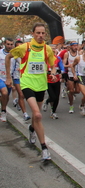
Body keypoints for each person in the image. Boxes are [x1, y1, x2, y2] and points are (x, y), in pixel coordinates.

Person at [5, 23, 57, 161]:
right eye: (38, 33)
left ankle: (32, 129)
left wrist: (52, 73)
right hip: (27, 84)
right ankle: (44, 149)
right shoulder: (24, 47)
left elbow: (52, 65)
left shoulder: (47, 49)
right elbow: (8, 57)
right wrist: (9, 77)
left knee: (36, 116)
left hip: (41, 85)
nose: (40, 36)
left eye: (43, 33)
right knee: (38, 115)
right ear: (33, 33)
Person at [42, 44, 65, 119]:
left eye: (54, 49)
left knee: (57, 97)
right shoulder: (44, 59)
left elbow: (62, 68)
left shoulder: (57, 58)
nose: (53, 50)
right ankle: (47, 101)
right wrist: (49, 73)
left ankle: (53, 112)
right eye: (51, 49)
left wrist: (61, 72)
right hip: (48, 81)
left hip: (57, 80)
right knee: (53, 97)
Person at [11, 39, 31, 121]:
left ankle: (19, 102)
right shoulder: (13, 57)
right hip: (17, 77)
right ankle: (25, 114)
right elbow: (11, 68)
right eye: (18, 47)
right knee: (21, 94)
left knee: (23, 95)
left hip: (25, 77)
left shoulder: (28, 55)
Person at [63, 42, 80, 114]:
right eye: (74, 46)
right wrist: (70, 65)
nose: (76, 47)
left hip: (78, 73)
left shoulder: (79, 54)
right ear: (70, 47)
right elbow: (63, 65)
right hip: (70, 74)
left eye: (76, 46)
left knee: (78, 91)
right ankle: (71, 106)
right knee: (72, 91)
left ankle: (68, 92)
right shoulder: (67, 54)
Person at [0, 38, 14, 121]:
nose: (9, 46)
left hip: (9, 78)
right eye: (8, 44)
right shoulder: (0, 53)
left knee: (6, 96)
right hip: (0, 77)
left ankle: (3, 108)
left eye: (11, 44)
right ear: (5, 44)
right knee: (4, 93)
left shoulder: (14, 54)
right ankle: (4, 111)